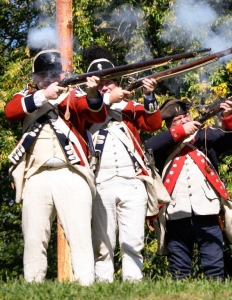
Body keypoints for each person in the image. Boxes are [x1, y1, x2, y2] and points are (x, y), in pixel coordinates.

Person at [4, 49, 116, 285]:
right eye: (43, 74)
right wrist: (44, 95)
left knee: (80, 236)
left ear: (63, 74)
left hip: (71, 172)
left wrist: (93, 91)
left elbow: (95, 114)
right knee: (35, 238)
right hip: (36, 175)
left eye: (54, 74)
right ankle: (33, 286)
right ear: (35, 78)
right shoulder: (27, 97)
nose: (49, 78)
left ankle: (86, 285)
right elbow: (11, 111)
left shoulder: (73, 96)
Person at [83, 46, 162, 282]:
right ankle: (104, 285)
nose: (105, 86)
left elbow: (153, 124)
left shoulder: (130, 107)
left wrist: (149, 96)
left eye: (109, 82)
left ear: (118, 82)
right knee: (103, 244)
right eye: (100, 84)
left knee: (134, 240)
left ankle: (133, 284)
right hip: (101, 181)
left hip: (132, 180)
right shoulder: (86, 108)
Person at [145, 98, 232, 280]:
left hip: (208, 211)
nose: (183, 121)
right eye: (176, 120)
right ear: (169, 126)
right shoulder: (164, 144)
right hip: (175, 213)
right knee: (179, 270)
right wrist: (180, 132)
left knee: (214, 268)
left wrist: (227, 116)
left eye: (185, 117)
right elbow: (149, 146)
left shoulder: (206, 136)